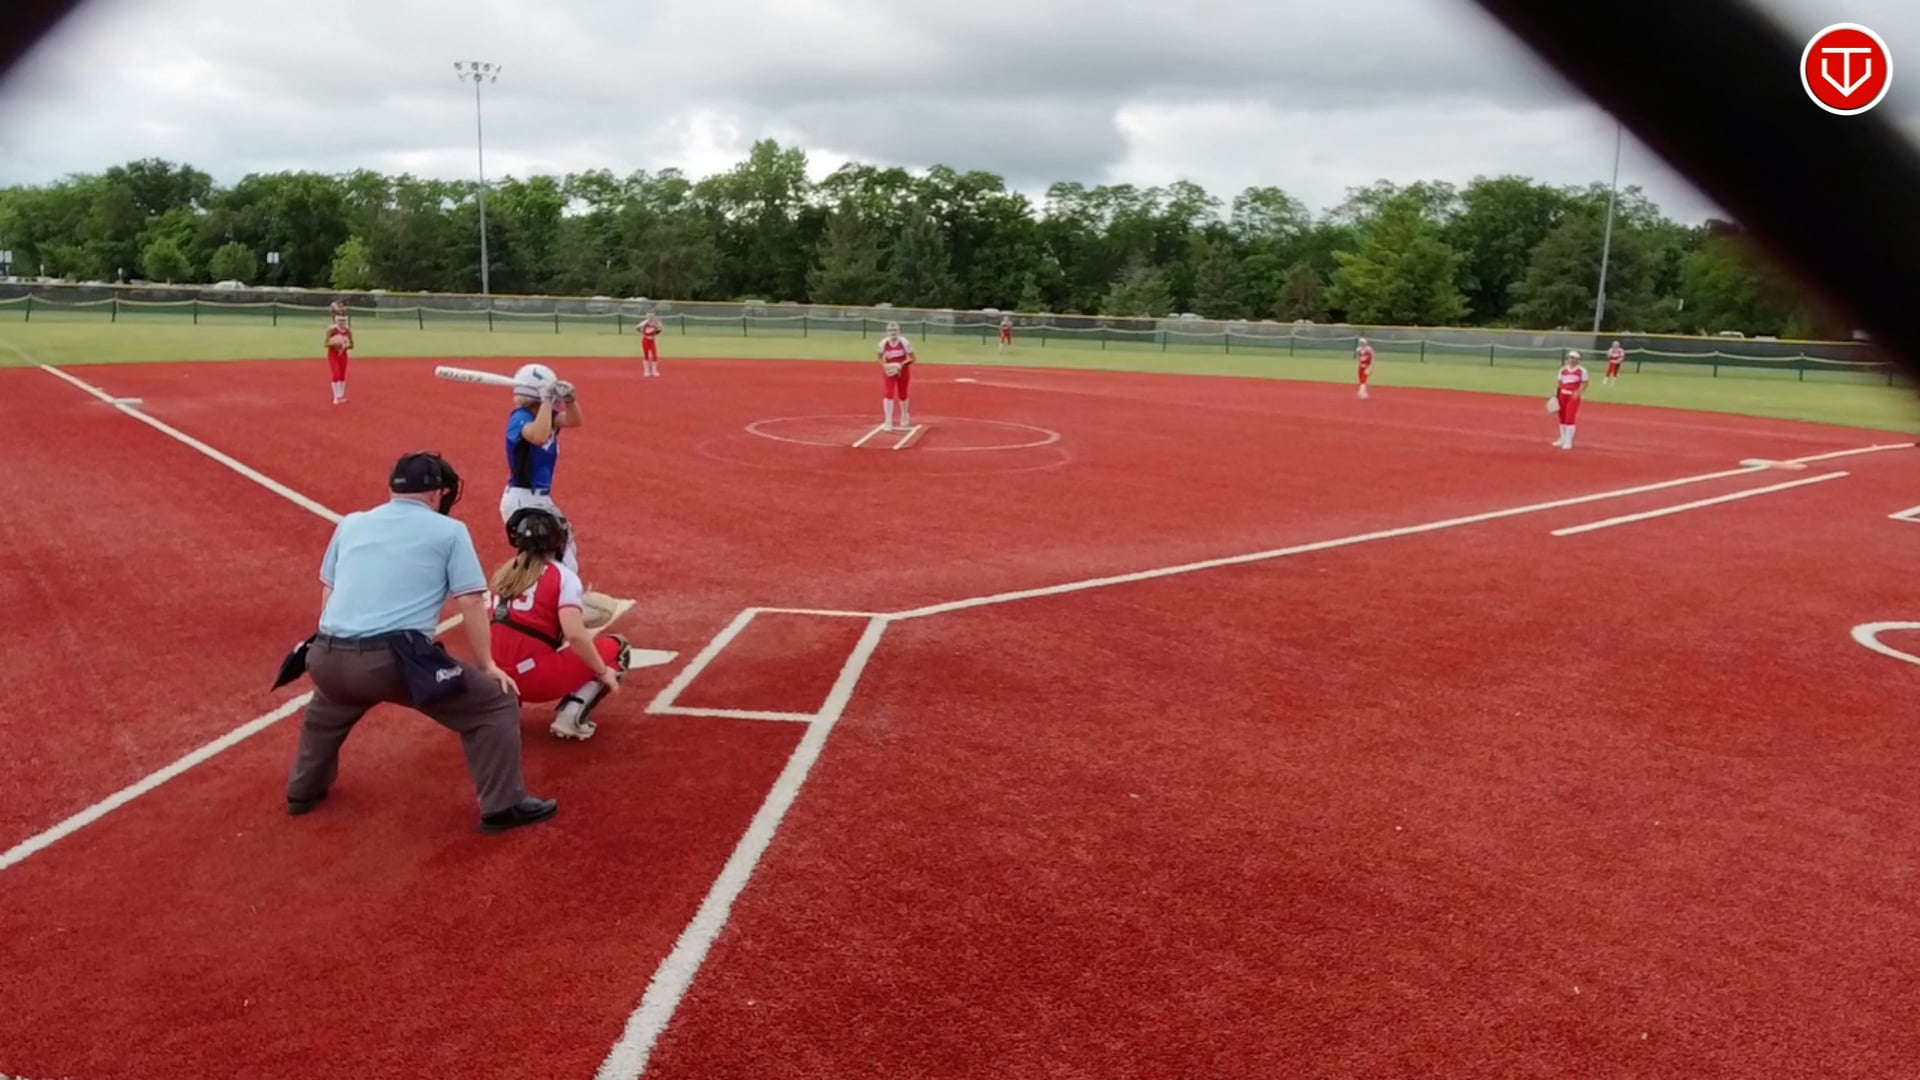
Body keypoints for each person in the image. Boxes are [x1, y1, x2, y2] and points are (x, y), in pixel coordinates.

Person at [284, 451, 557, 834]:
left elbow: (329, 590)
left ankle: (302, 790)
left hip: (325, 654)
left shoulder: (351, 523)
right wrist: (487, 665)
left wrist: (336, 639)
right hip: (392, 661)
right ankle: (503, 805)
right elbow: (470, 601)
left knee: (327, 709)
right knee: (495, 702)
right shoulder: (450, 531)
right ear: (438, 492)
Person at [488, 508, 632, 741]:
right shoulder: (563, 576)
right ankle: (571, 716)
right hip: (534, 679)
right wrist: (602, 671)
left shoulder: (504, 573)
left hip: (495, 679)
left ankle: (503, 712)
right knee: (617, 647)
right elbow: (574, 635)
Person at [499, 363, 585, 574]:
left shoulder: (545, 416)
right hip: (523, 498)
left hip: (538, 498)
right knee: (552, 554)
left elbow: (574, 420)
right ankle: (546, 590)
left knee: (563, 545)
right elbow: (538, 436)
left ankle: (552, 589)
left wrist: (570, 400)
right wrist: (547, 400)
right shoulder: (519, 417)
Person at [877, 321, 916, 430]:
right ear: (886, 332)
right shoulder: (883, 343)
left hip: (903, 369)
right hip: (889, 369)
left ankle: (904, 414)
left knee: (902, 394)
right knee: (888, 393)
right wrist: (886, 366)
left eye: (895, 330)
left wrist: (900, 365)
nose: (893, 332)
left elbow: (913, 358)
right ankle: (888, 421)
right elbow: (879, 358)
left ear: (899, 331)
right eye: (890, 330)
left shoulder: (904, 342)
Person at [1552, 349, 1590, 449]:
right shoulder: (1563, 370)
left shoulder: (1581, 370)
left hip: (1572, 396)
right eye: (1570, 357)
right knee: (1562, 417)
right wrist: (1556, 395)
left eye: (1574, 358)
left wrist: (1578, 392)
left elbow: (1585, 383)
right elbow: (1559, 383)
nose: (1571, 360)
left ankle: (1568, 441)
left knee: (1569, 417)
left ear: (1578, 360)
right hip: (1562, 395)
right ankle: (1562, 438)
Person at [325, 308, 354, 405]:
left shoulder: (348, 331)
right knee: (336, 375)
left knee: (342, 376)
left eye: (343, 320)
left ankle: (341, 395)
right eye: (340, 320)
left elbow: (352, 345)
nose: (342, 322)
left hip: (343, 355)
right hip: (333, 355)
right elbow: (326, 343)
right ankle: (335, 397)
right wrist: (335, 343)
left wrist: (344, 345)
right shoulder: (331, 330)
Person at [637, 312, 663, 377]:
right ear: (647, 316)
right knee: (646, 355)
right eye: (649, 316)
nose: (650, 317)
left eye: (652, 316)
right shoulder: (644, 323)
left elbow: (660, 329)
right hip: (645, 340)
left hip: (652, 340)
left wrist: (655, 333)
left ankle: (654, 371)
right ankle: (646, 371)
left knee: (654, 355)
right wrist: (642, 332)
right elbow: (637, 327)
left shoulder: (656, 323)